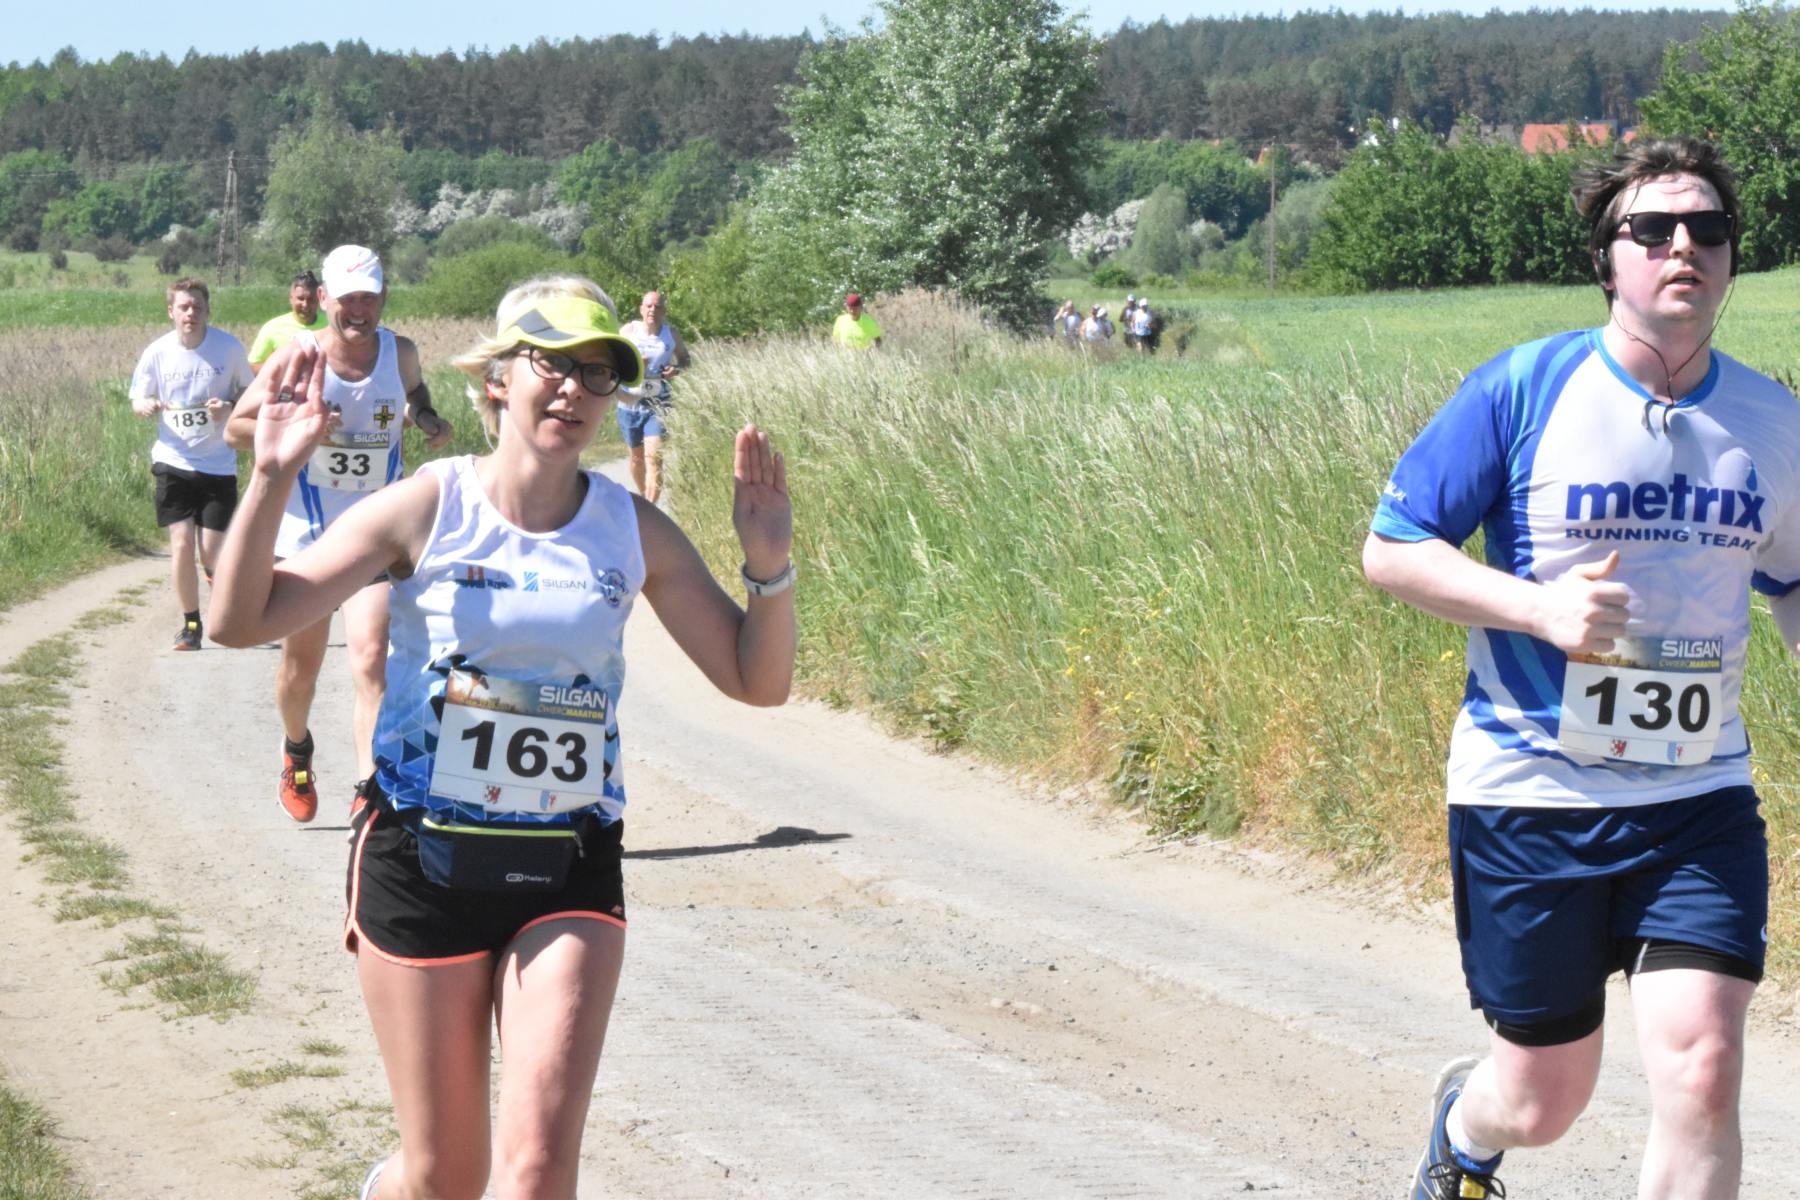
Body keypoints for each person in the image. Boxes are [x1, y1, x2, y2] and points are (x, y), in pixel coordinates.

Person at [207, 273, 795, 1200]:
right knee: (446, 1177)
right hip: (422, 860)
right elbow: (239, 621)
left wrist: (770, 567)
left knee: (537, 1173)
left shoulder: (630, 528)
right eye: (550, 363)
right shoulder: (427, 505)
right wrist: (274, 475)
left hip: (566, 863)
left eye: (597, 371)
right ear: (496, 379)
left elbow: (757, 681)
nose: (573, 387)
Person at [1364, 137, 1800, 1200]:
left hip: (1697, 797)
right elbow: (1392, 549)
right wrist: (1541, 611)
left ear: (1733, 260)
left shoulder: (1775, 424)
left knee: (1704, 1065)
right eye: (1652, 229)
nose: (1683, 246)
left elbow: (1794, 581)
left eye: (1708, 229)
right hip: (1531, 793)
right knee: (1543, 1098)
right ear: (1607, 259)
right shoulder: (1524, 389)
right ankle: (1466, 1135)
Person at [224, 245, 454, 826]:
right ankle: (297, 749)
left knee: (372, 658)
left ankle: (368, 787)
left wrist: (426, 417)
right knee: (300, 669)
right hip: (309, 538)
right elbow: (236, 428)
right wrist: (298, 430)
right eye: (348, 298)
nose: (359, 310)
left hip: (378, 537)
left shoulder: (400, 352)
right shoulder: (298, 356)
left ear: (383, 298)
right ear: (324, 298)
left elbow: (414, 392)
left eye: (369, 298)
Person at [128, 277, 252, 651]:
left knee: (211, 554)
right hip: (173, 460)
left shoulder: (229, 348)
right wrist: (145, 405)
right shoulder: (157, 352)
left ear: (207, 310)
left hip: (218, 464)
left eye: (197, 306)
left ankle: (231, 602)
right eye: (183, 306)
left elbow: (252, 394)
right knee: (181, 544)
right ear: (171, 311)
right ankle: (192, 625)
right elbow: (138, 395)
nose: (190, 313)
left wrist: (230, 407)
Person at [614, 289, 691, 504]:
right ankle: (644, 500)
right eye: (648, 306)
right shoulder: (629, 331)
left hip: (658, 402)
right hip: (629, 403)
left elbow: (686, 359)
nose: (652, 310)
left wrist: (676, 369)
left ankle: (650, 508)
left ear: (664, 311)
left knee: (654, 459)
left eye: (657, 306)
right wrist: (635, 364)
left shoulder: (671, 334)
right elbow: (611, 360)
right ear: (641, 309)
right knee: (637, 460)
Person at [248, 270, 328, 373]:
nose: (305, 304)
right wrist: (282, 374)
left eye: (311, 299)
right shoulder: (273, 327)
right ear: (291, 299)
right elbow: (253, 364)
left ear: (319, 299)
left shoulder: (329, 325)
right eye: (300, 298)